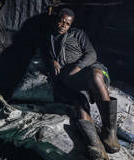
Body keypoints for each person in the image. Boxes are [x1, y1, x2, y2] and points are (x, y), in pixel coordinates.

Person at [40, 8, 120, 160]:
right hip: (70, 80)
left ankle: (109, 131)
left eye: (67, 24)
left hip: (86, 70)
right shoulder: (49, 37)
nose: (63, 25)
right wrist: (52, 61)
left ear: (71, 25)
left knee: (96, 75)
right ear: (56, 19)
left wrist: (76, 69)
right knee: (80, 103)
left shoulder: (78, 34)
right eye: (61, 21)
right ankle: (96, 146)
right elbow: (44, 53)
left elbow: (92, 54)